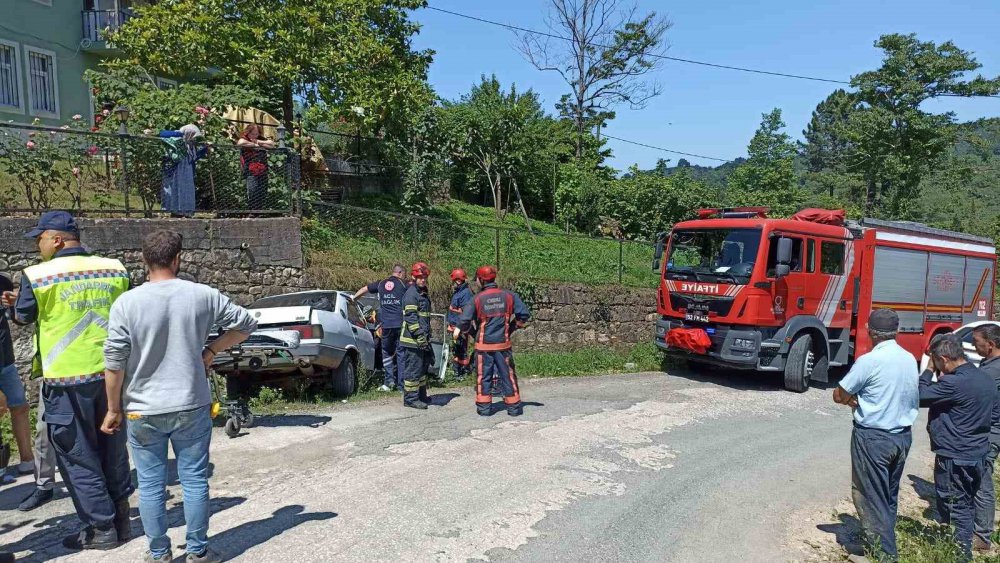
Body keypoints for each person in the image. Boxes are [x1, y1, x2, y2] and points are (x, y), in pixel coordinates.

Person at [102, 230, 256, 563]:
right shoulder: (202, 295)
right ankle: (198, 552)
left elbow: (113, 363)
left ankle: (159, 554)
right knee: (194, 479)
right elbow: (246, 323)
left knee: (152, 484)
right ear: (178, 259)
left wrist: (113, 408)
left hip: (143, 409)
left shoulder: (126, 303)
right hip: (191, 403)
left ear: (144, 260)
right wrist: (212, 349)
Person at [2, 211, 132, 550]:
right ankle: (122, 520)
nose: (37, 245)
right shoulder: (115, 268)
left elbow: (25, 315)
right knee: (113, 449)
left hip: (66, 381)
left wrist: (13, 307)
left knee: (78, 456)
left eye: (40, 238)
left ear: (57, 239)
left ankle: (101, 530)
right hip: (111, 375)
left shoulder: (38, 275)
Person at [832, 309, 919, 561]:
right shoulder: (908, 358)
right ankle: (879, 543)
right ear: (897, 331)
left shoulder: (869, 361)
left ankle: (885, 555)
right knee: (888, 496)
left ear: (869, 331)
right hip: (902, 437)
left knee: (870, 496)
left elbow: (840, 394)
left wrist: (853, 401)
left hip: (873, 438)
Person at [920, 333, 1000, 560]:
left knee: (956, 506)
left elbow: (918, 395)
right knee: (967, 500)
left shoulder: (953, 383)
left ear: (943, 359)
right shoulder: (985, 377)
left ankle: (960, 553)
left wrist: (927, 371)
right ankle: (961, 542)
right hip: (977, 452)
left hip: (955, 455)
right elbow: (994, 416)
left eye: (935, 361)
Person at [458, 265, 531, 417]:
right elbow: (523, 314)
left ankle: (484, 409)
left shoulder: (476, 299)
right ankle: (514, 409)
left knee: (483, 377)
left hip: (483, 347)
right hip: (503, 345)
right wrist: (511, 327)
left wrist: (472, 332)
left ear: (480, 280)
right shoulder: (509, 296)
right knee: (508, 376)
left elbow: (463, 321)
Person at [0, 273, 36, 482]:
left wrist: (16, 303)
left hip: (6, 360)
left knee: (20, 406)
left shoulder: (3, 282)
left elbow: (19, 320)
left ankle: (27, 460)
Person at [970, 324, 1000, 553]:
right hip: (990, 430)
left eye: (976, 341)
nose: (973, 345)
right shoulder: (989, 364)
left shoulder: (993, 370)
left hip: (990, 433)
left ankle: (982, 536)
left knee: (982, 481)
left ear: (990, 345)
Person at [353, 265, 407, 392]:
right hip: (400, 324)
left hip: (386, 325)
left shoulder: (381, 283)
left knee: (387, 353)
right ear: (400, 273)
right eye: (404, 274)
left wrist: (353, 298)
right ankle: (401, 386)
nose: (405, 276)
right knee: (401, 354)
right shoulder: (404, 284)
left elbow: (364, 289)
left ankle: (389, 383)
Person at [399, 262, 433, 409]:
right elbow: (411, 318)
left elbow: (424, 318)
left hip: (421, 339)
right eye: (420, 277)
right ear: (413, 277)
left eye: (424, 277)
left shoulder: (422, 293)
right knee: (413, 370)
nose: (423, 280)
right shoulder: (411, 294)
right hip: (412, 340)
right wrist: (419, 336)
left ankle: (421, 395)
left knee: (422, 369)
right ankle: (410, 399)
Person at [160, 124, 208, 217]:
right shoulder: (177, 138)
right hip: (175, 171)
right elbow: (162, 133)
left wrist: (204, 150)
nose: (193, 138)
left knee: (186, 191)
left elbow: (193, 158)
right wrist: (181, 134)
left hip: (187, 173)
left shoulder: (190, 145)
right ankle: (172, 211)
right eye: (192, 134)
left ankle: (185, 212)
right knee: (173, 189)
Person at [236, 124, 275, 210]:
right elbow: (240, 143)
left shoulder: (259, 139)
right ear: (248, 132)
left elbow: (272, 144)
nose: (254, 136)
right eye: (253, 134)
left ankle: (259, 211)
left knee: (262, 192)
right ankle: (252, 211)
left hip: (263, 170)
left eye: (256, 134)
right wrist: (255, 145)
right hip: (250, 170)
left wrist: (258, 142)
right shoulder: (244, 138)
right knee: (253, 190)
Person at [446, 269, 473, 382]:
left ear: (458, 280)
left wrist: (453, 310)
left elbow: (465, 312)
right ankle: (458, 370)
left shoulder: (465, 293)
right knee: (457, 348)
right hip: (455, 325)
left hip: (460, 327)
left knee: (461, 349)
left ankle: (461, 371)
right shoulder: (459, 292)